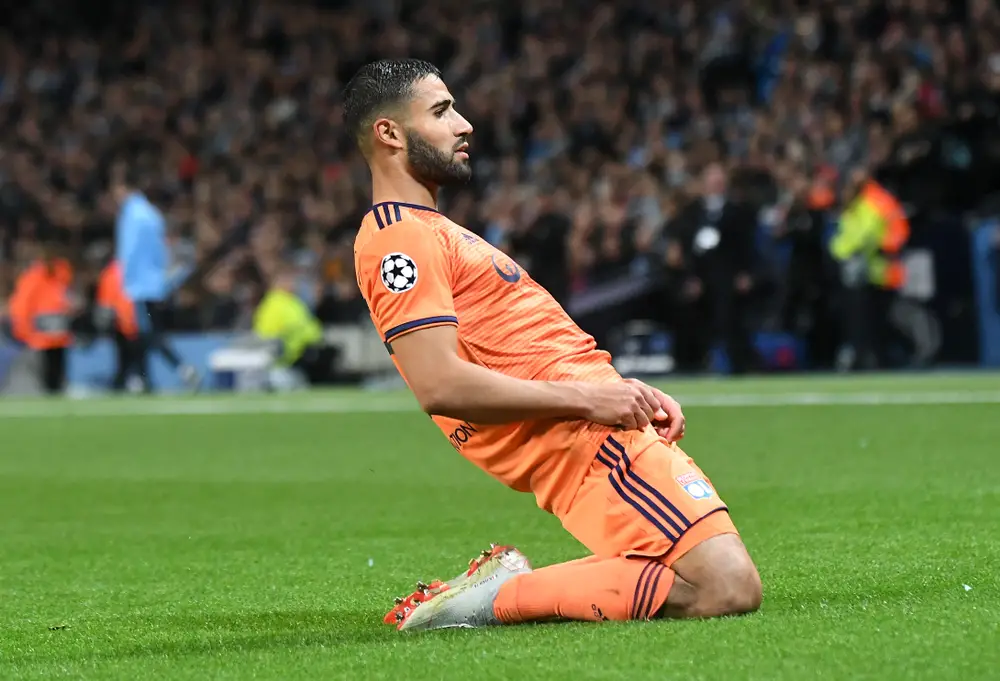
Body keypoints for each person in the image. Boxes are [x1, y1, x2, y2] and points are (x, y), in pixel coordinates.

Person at [345, 59, 761, 633]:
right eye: (441, 112)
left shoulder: (431, 230)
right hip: (583, 438)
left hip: (598, 426)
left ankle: (497, 591)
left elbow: (529, 346)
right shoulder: (400, 238)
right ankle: (496, 597)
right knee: (726, 586)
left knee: (704, 579)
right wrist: (592, 399)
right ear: (389, 133)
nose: (464, 124)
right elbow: (439, 384)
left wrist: (620, 390)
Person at [111, 168, 200, 391]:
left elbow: (128, 252)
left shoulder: (132, 215)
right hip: (154, 282)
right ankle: (143, 380)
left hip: (139, 285)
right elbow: (161, 252)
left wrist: (124, 282)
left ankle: (182, 368)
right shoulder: (151, 214)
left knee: (148, 333)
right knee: (144, 333)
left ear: (122, 188)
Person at [7, 240, 76, 394]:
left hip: (52, 332)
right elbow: (23, 305)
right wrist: (23, 330)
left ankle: (52, 390)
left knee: (53, 370)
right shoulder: (40, 277)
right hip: (45, 332)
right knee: (50, 369)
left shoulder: (48, 276)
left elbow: (22, 304)